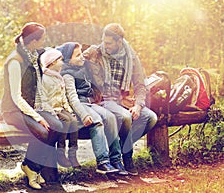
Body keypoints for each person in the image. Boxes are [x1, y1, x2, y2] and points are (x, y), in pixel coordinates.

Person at [83, 23, 158, 176]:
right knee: (125, 117)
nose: (105, 45)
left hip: (121, 101)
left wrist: (138, 105)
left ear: (119, 42)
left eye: (109, 43)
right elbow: (72, 60)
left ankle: (121, 144)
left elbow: (140, 85)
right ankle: (127, 157)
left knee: (150, 117)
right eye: (104, 41)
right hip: (102, 100)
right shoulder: (95, 53)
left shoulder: (131, 57)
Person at [0, 22, 63, 190]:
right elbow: (16, 97)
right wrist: (39, 118)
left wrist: (44, 111)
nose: (44, 42)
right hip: (13, 110)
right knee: (42, 132)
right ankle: (30, 168)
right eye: (41, 39)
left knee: (57, 126)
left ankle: (32, 166)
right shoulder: (15, 61)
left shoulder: (34, 55)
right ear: (33, 41)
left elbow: (54, 53)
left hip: (32, 107)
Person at [58, 42, 128, 175]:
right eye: (77, 56)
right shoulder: (67, 75)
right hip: (80, 106)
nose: (82, 57)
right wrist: (84, 115)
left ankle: (116, 159)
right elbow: (73, 99)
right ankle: (102, 162)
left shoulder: (82, 69)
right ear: (68, 60)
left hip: (91, 103)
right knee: (97, 120)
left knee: (110, 117)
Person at [40, 48, 80, 168]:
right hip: (51, 110)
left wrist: (69, 110)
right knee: (66, 121)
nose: (62, 63)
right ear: (52, 63)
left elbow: (63, 97)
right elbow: (43, 99)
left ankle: (73, 153)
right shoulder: (44, 78)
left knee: (73, 121)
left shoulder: (59, 78)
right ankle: (60, 152)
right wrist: (52, 112)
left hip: (60, 109)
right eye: (60, 60)